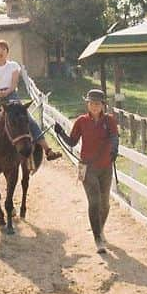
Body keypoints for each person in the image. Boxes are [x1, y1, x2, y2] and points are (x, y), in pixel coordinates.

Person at [54, 89, 119, 254]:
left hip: (105, 166)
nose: (95, 106)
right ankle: (97, 239)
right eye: (92, 103)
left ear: (103, 105)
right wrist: (60, 133)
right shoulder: (81, 121)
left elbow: (114, 136)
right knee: (94, 201)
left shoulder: (109, 120)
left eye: (98, 103)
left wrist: (114, 148)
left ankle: (100, 229)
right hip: (87, 167)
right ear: (87, 104)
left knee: (105, 203)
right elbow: (72, 141)